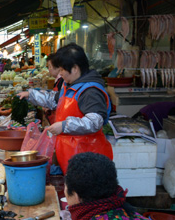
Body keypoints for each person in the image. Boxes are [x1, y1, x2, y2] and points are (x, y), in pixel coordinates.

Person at [18, 44, 113, 173]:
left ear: (75, 69)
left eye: (62, 69)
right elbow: (54, 100)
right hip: (72, 156)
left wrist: (64, 126)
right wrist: (31, 95)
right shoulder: (69, 85)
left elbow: (94, 122)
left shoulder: (90, 91)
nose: (60, 73)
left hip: (89, 157)